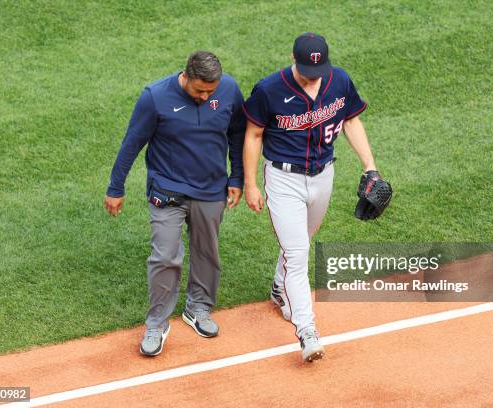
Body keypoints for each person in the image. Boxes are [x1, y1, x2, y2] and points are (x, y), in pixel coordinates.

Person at [242, 33, 380, 362]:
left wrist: (370, 167)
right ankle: (307, 331)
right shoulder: (268, 90)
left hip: (323, 176)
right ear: (292, 58)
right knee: (299, 252)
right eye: (305, 70)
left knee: (303, 239)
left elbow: (351, 121)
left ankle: (279, 287)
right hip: (283, 179)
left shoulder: (339, 80)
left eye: (316, 71)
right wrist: (250, 183)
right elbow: (254, 134)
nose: (312, 76)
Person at [104, 51, 245, 356]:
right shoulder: (155, 97)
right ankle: (156, 323)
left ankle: (198, 309)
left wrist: (237, 177)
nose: (205, 96)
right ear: (185, 76)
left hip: (211, 189)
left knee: (207, 251)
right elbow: (132, 142)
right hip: (167, 190)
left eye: (211, 91)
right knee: (165, 256)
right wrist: (116, 186)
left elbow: (237, 134)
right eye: (199, 91)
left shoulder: (230, 89)